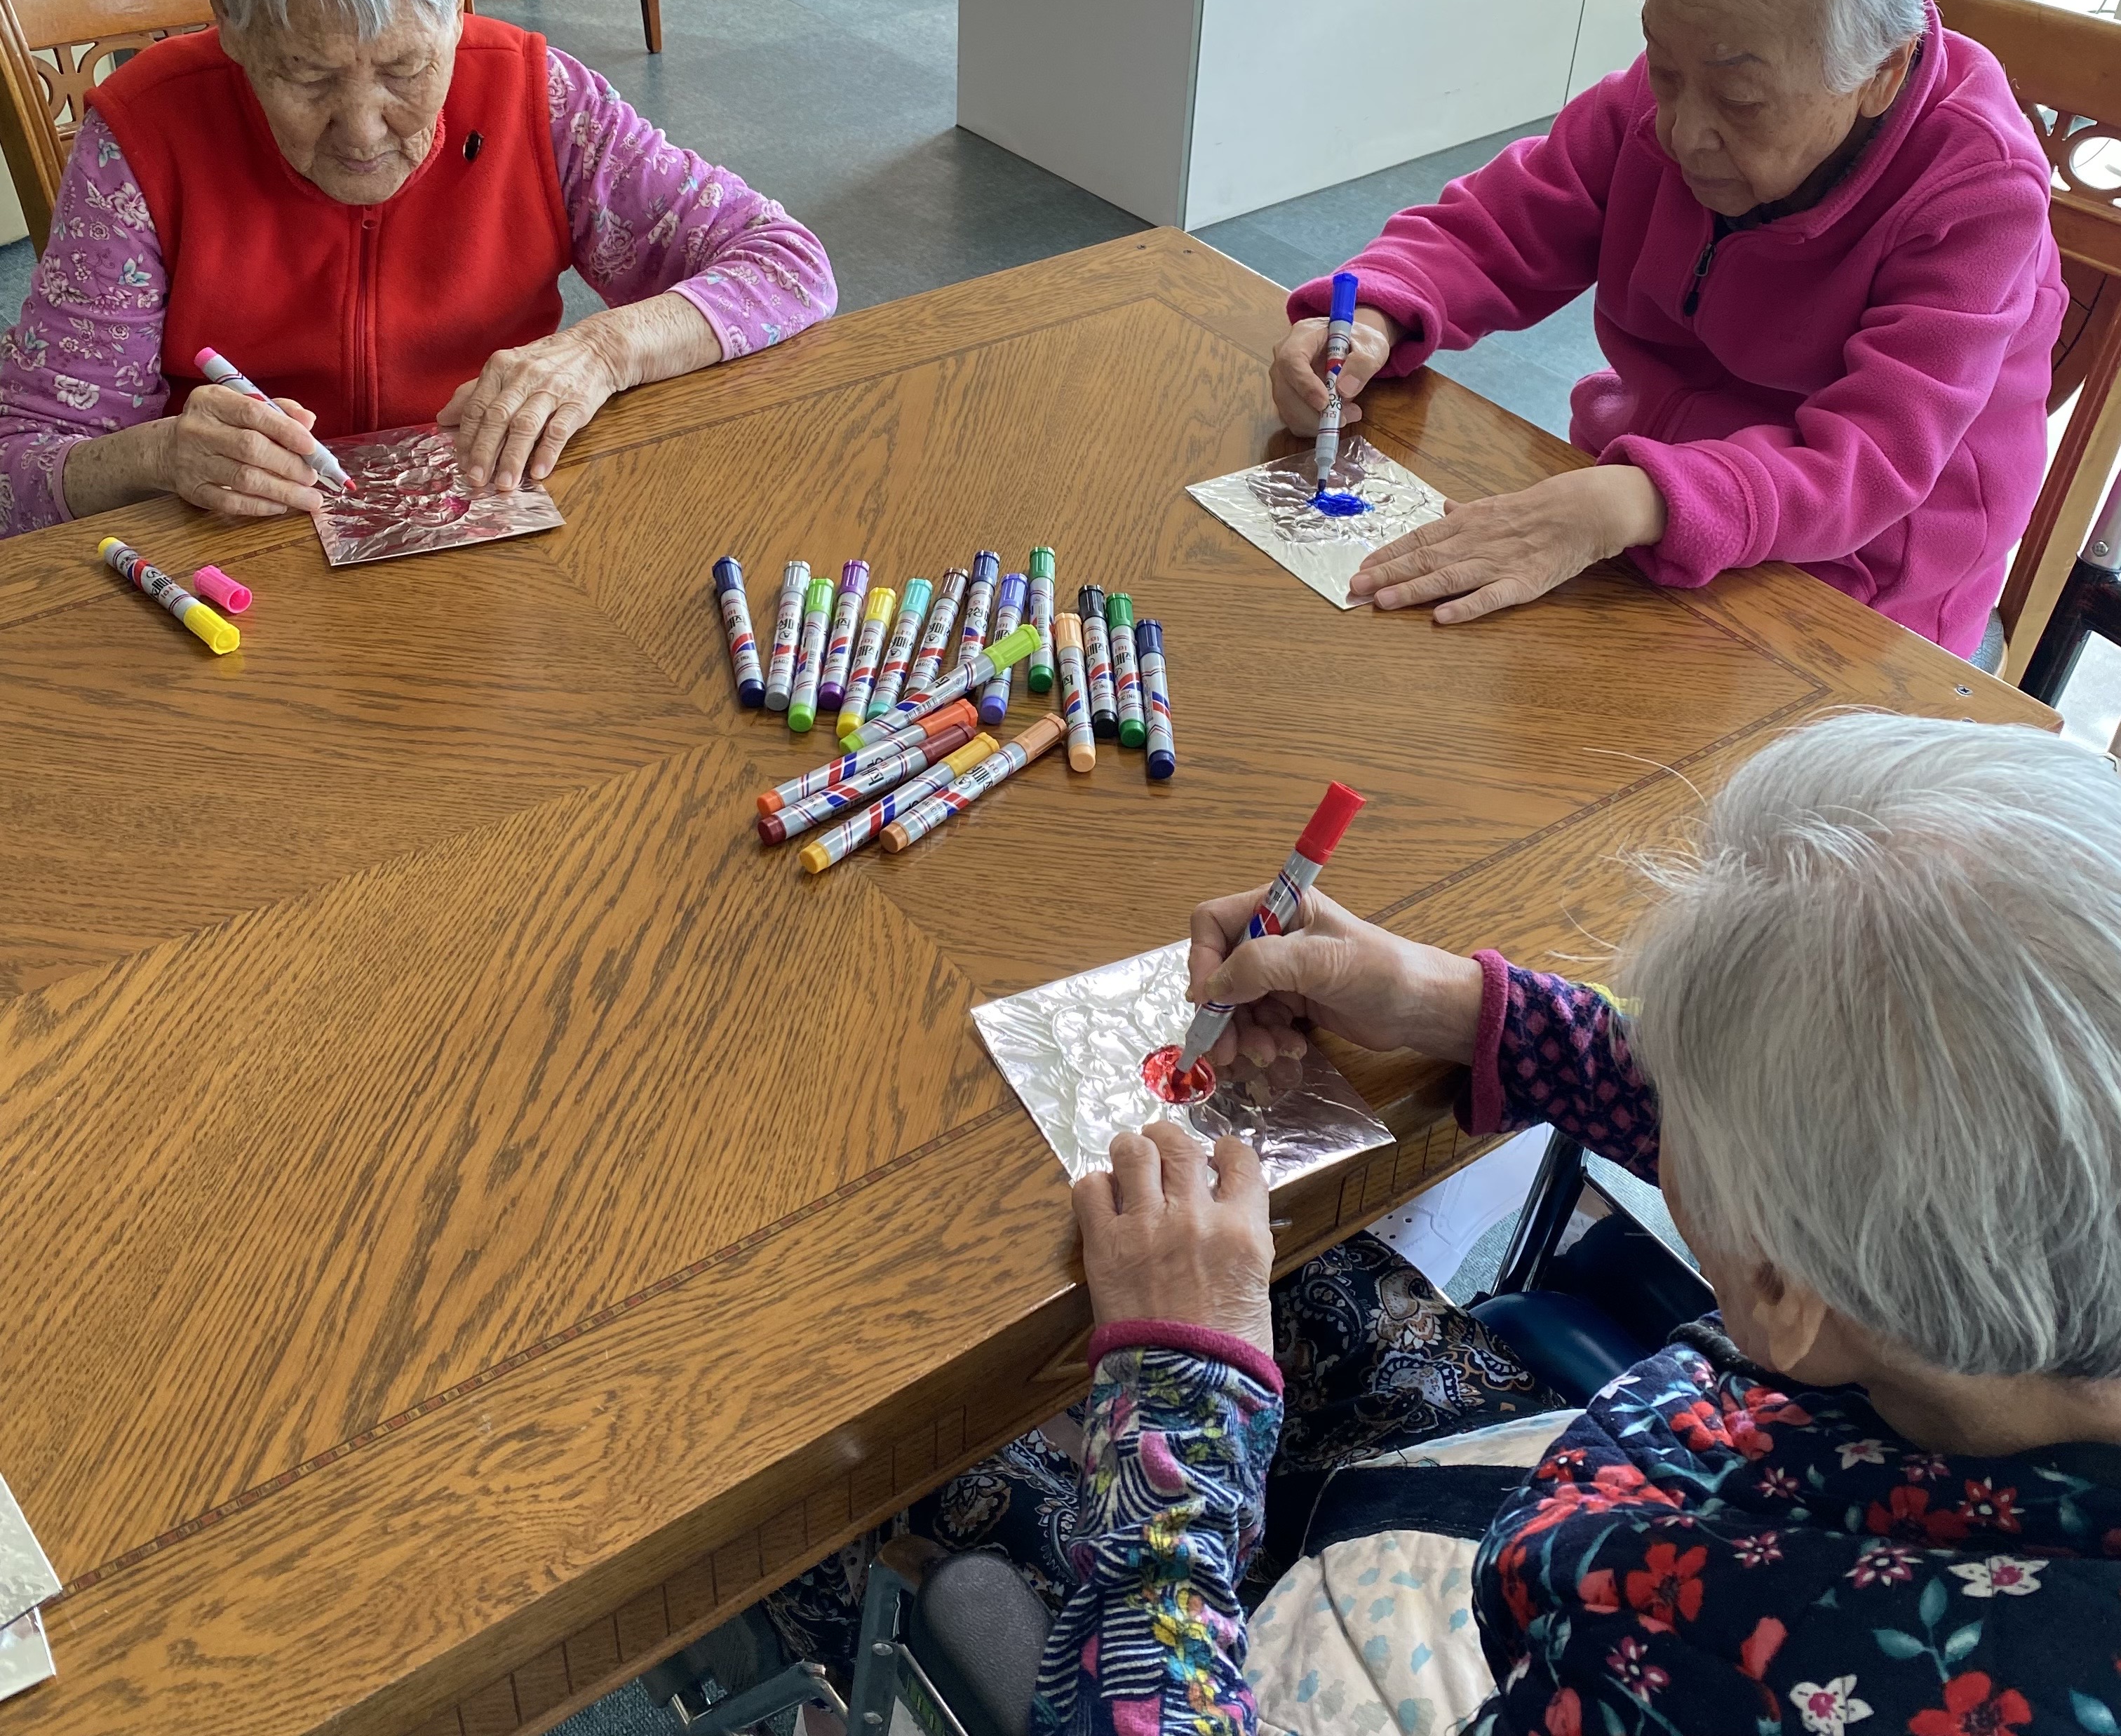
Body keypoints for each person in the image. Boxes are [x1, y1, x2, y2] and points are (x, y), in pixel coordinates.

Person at [772, 715, 2121, 1731]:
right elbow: (1879, 1128)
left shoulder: (1751, 1681)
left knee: (862, 1462)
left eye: (1677, 1100)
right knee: (1277, 1268)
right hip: (1611, 1486)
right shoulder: (2002, 1283)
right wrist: (1461, 1006)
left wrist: (1183, 1395)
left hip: (1500, 1645)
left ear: (1782, 1289)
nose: (1650, 1093)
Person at [1277, 0, 2063, 662]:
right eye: (1665, 67)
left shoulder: (1979, 196)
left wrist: (1636, 500)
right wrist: (1373, 313)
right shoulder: (1664, 104)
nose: (1683, 131)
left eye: (1740, 98)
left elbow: (1871, 461)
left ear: (1881, 71)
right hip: (1634, 495)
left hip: (1859, 586)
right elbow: (1496, 228)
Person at [0, 0, 834, 539]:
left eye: (405, 69)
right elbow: (19, 464)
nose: (363, 132)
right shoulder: (143, 141)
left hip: (489, 525)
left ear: (455, 1)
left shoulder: (536, 99)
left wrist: (605, 350)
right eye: (306, 76)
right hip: (235, 563)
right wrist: (159, 455)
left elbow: (786, 265)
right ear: (228, 14)